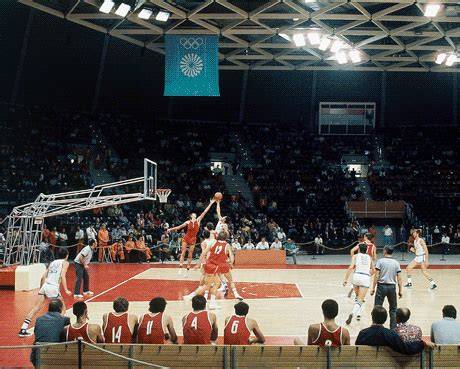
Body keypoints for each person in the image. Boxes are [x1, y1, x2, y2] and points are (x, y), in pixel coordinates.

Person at [19, 248, 72, 337]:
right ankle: (55, 329)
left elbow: (43, 277)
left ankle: (23, 329)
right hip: (53, 287)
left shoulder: (53, 263)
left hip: (45, 286)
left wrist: (41, 289)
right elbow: (63, 276)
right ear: (67, 255)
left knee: (36, 307)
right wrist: (66, 289)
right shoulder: (65, 263)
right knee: (63, 309)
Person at [356, 306, 434, 354]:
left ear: (372, 317)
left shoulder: (362, 333)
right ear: (385, 319)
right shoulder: (390, 334)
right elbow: (406, 349)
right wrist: (422, 343)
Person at [167, 199, 215, 276]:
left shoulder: (198, 220)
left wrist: (210, 203)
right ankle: (180, 267)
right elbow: (179, 227)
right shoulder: (187, 222)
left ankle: (187, 269)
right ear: (191, 216)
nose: (194, 215)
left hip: (193, 238)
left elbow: (204, 212)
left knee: (190, 254)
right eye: (193, 215)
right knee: (183, 253)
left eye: (195, 215)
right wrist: (170, 229)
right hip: (186, 237)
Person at [30, 299, 70, 366]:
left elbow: (37, 334)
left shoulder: (39, 319)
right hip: (56, 353)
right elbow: (66, 338)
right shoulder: (65, 320)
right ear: (60, 308)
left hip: (38, 354)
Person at [370, 246, 402, 329]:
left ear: (385, 251)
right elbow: (399, 277)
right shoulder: (396, 263)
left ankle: (376, 326)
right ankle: (393, 329)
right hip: (392, 287)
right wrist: (400, 290)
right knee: (393, 310)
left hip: (381, 286)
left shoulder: (380, 261)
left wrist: (373, 288)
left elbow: (376, 276)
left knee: (377, 308)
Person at [343, 243, 375, 325]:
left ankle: (358, 314)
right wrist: (368, 275)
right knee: (360, 299)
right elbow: (374, 271)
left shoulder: (355, 256)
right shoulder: (369, 257)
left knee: (357, 298)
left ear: (359, 249)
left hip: (356, 276)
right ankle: (353, 313)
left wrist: (345, 279)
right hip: (365, 277)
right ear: (367, 250)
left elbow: (351, 267)